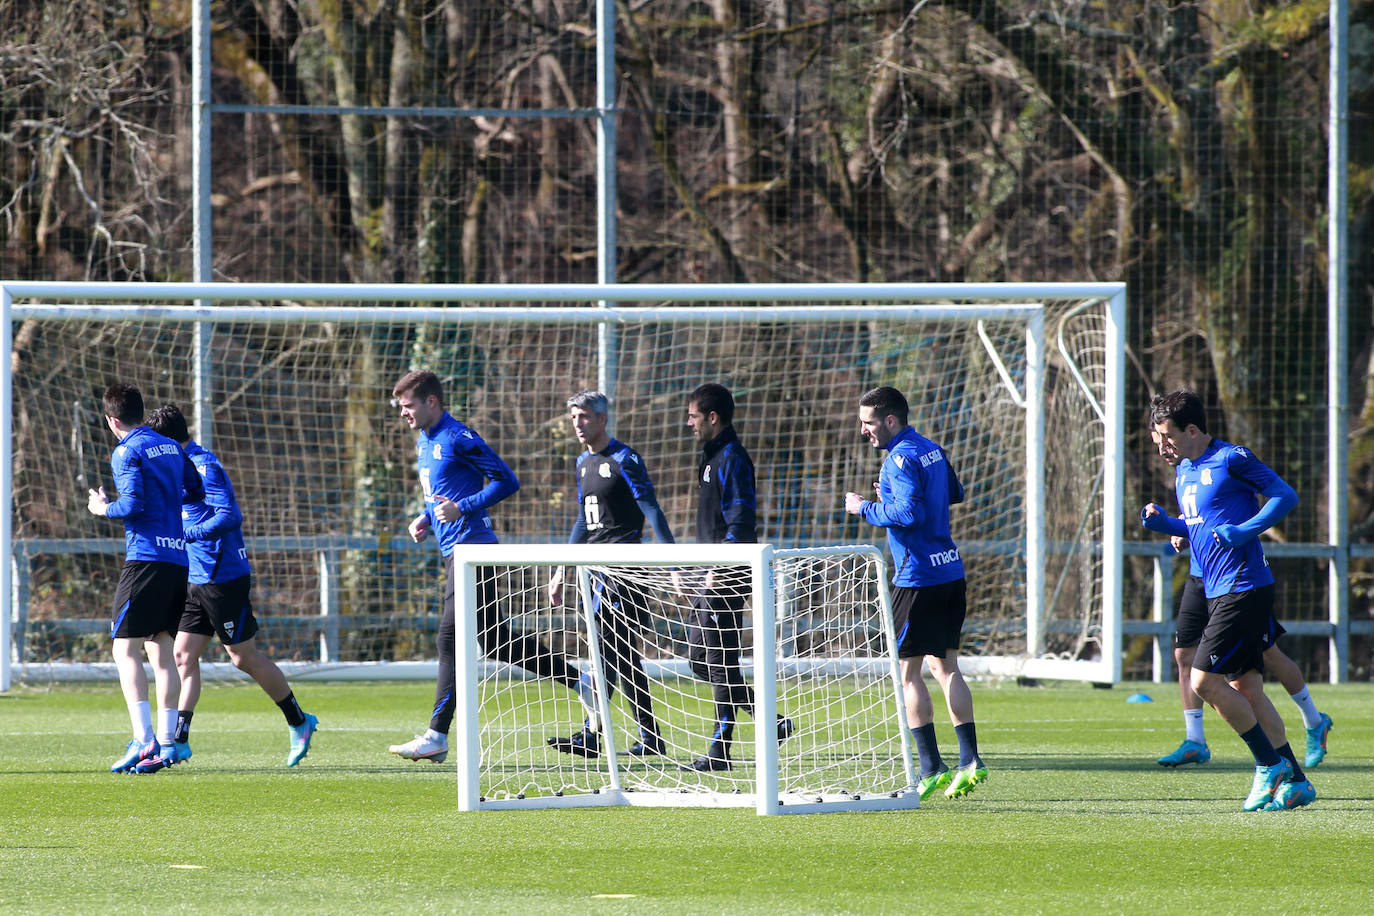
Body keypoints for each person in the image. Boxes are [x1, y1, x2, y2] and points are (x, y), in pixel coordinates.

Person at [388, 370, 590, 764]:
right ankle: (581, 679)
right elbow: (443, 496)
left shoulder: (458, 436)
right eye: (401, 408)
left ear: (432, 402)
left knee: (449, 639)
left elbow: (506, 481)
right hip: (452, 552)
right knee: (495, 640)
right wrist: (426, 519)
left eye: (409, 406)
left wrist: (461, 509)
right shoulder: (424, 442)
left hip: (473, 552)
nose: (403, 414)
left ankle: (436, 735)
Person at [1142, 388, 1316, 810]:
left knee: (1203, 682)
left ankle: (1267, 764)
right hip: (1217, 587)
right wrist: (1170, 524)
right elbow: (1201, 524)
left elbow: (1285, 495)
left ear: (1194, 430)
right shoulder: (1185, 469)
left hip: (1243, 586)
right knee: (1248, 688)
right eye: (1156, 439)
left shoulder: (1232, 458)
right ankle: (1295, 781)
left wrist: (1247, 530)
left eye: (1167, 437)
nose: (1162, 446)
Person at [146, 405, 318, 767]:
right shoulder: (175, 466)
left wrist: (188, 533)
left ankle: (299, 721)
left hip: (224, 577)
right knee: (182, 656)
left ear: (167, 441)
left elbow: (229, 516)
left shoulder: (204, 466)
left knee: (243, 657)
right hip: (196, 577)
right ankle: (178, 741)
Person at [843, 386, 986, 800]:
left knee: (907, 674)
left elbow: (908, 514)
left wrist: (864, 506)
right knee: (947, 669)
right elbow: (954, 493)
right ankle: (970, 760)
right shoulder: (931, 449)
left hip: (916, 578)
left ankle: (930, 767)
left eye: (868, 423)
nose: (864, 432)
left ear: (890, 421)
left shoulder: (898, 458)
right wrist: (890, 492)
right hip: (950, 572)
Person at [547, 390, 674, 759]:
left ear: (602, 419)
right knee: (621, 657)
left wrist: (675, 562)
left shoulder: (625, 458)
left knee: (607, 653)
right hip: (594, 573)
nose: (578, 424)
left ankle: (593, 733)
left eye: (584, 417)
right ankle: (649, 736)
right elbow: (582, 522)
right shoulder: (581, 463)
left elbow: (651, 508)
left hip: (624, 574)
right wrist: (560, 572)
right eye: (573, 418)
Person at [87, 382, 202, 774]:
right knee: (162, 651)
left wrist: (102, 508)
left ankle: (143, 738)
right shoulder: (170, 445)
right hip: (178, 559)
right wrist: (167, 507)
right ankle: (167, 744)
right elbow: (195, 488)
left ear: (112, 420)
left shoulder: (127, 450)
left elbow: (131, 505)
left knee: (124, 649)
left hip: (147, 559)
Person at [681, 383, 792, 771]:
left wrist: (717, 568)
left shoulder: (732, 458)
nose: (688, 423)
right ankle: (769, 718)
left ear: (713, 417)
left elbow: (741, 522)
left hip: (726, 577)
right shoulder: (710, 457)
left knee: (721, 661)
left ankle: (718, 751)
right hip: (708, 574)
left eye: (693, 416)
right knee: (700, 658)